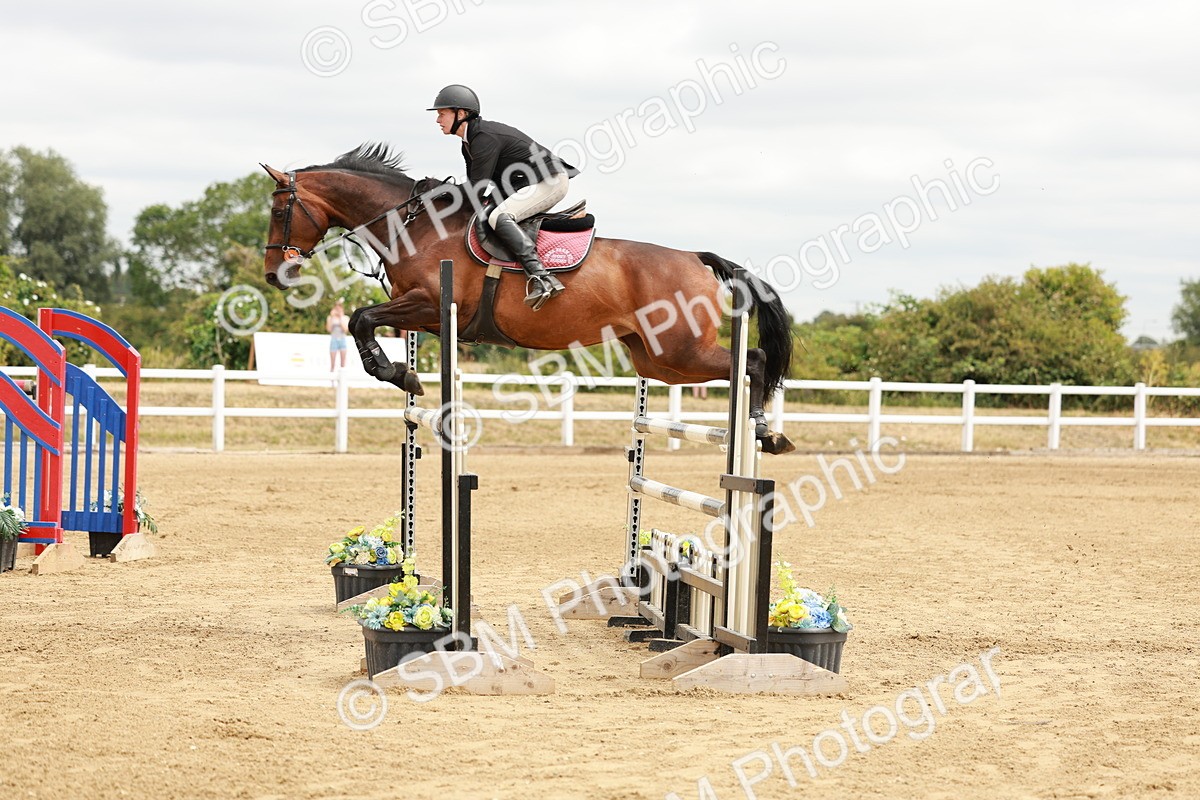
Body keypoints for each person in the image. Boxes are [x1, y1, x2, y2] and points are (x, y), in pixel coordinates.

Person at [428, 84, 579, 311]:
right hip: (522, 183)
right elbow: (475, 193)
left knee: (499, 216)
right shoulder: (468, 144)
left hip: (549, 180)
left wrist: (439, 191)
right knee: (486, 212)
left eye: (442, 114)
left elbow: (476, 190)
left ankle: (541, 277)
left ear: (461, 114)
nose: (438, 120)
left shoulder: (483, 138)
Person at [327, 299, 349, 371]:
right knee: (332, 363)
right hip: (334, 340)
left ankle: (342, 379)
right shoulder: (330, 318)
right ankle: (332, 380)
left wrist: (340, 318)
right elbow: (329, 329)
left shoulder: (345, 318)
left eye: (339, 307)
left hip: (342, 340)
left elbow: (345, 330)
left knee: (343, 363)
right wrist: (332, 317)